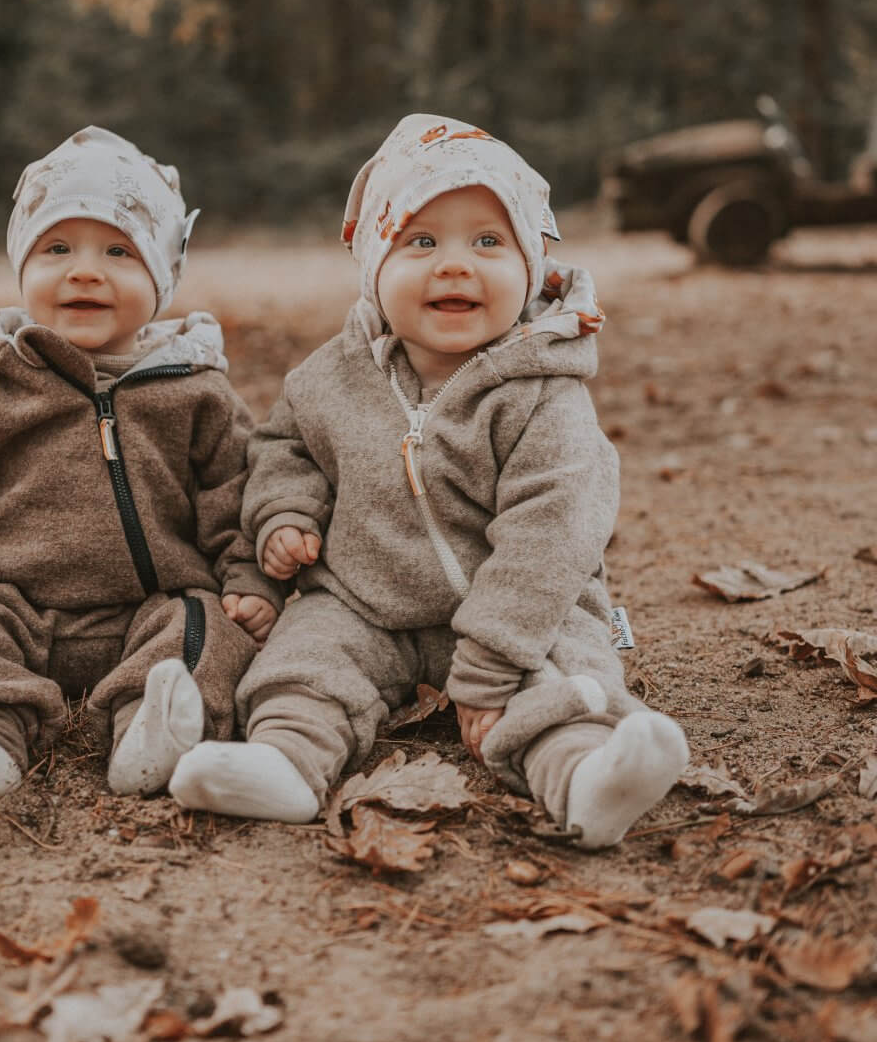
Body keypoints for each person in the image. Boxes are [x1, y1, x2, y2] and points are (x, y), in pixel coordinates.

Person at [172, 113, 688, 847]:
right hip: (363, 600)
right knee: (305, 660)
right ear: (374, 265)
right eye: (421, 241)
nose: (455, 264)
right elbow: (285, 447)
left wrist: (486, 668)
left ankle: (588, 775)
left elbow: (554, 533)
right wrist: (285, 514)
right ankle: (283, 761)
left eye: (488, 241)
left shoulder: (543, 393)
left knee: (563, 675)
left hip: (513, 610)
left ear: (532, 267)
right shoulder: (331, 377)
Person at [0, 126, 279, 805]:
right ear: (23, 266)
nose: (84, 269)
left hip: (152, 604)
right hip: (3, 600)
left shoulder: (196, 389)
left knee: (206, 629)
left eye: (118, 250)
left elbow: (239, 489)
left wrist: (249, 574)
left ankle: (155, 727)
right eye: (57, 248)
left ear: (161, 276)